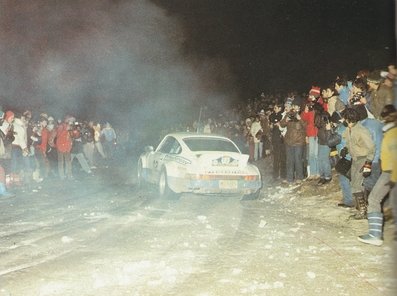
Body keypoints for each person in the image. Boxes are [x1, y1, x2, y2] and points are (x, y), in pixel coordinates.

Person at [357, 105, 397, 246]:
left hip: (390, 173)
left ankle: (375, 234)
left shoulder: (392, 134)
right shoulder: (388, 132)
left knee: (374, 198)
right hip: (387, 171)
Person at [341, 107, 375, 219]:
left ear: (348, 118)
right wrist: (345, 149)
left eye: (344, 118)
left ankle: (363, 211)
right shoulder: (349, 129)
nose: (343, 120)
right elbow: (348, 141)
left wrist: (368, 163)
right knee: (354, 184)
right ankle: (360, 208)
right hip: (355, 159)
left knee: (356, 185)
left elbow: (371, 147)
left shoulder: (361, 130)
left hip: (362, 158)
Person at [280, 102, 306, 184]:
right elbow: (282, 124)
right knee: (289, 160)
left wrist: (300, 119)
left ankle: (299, 177)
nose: (296, 107)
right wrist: (286, 120)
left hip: (299, 141)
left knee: (298, 160)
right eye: (294, 106)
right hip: (289, 141)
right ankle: (289, 178)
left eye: (298, 106)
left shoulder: (303, 114)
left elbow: (306, 126)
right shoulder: (289, 114)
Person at [269, 104, 286, 181]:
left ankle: (283, 174)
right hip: (275, 139)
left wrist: (277, 124)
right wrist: (272, 125)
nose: (274, 109)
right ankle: (275, 175)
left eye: (275, 108)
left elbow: (281, 124)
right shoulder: (272, 115)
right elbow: (272, 123)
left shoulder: (282, 115)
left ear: (280, 108)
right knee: (276, 157)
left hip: (281, 139)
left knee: (282, 157)